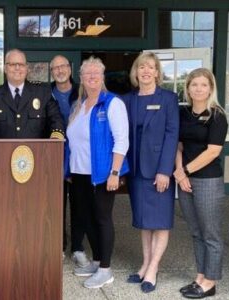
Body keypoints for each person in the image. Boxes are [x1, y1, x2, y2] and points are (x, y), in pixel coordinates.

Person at [67, 56, 129, 289]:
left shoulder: (112, 103)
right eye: (87, 73)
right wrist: (68, 169)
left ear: (102, 77)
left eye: (96, 73)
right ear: (81, 78)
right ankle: (96, 261)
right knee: (86, 217)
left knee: (102, 219)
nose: (91, 77)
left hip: (102, 173)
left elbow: (122, 140)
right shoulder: (79, 105)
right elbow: (72, 142)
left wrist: (115, 172)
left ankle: (106, 269)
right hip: (79, 173)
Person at [122, 52, 179, 293]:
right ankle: (145, 264)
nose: (145, 71)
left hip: (158, 169)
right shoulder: (128, 100)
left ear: (157, 72)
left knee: (161, 222)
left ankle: (153, 268)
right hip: (136, 169)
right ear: (135, 72)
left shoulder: (168, 98)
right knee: (145, 222)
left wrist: (166, 170)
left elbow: (171, 135)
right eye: (141, 67)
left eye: (150, 67)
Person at [173, 68, 228, 299]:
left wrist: (184, 171)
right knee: (196, 232)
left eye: (203, 85)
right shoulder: (183, 113)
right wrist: (180, 173)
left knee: (210, 234)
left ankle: (210, 282)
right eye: (194, 84)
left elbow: (213, 152)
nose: (198, 89)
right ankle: (200, 276)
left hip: (207, 181)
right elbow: (178, 145)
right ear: (187, 88)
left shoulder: (217, 115)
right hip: (185, 180)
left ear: (210, 88)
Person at [0, 48, 65, 142]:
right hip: (1, 155)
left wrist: (56, 138)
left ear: (27, 68)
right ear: (5, 68)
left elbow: (56, 119)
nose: (17, 68)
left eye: (21, 64)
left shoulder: (43, 93)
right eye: (13, 64)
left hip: (37, 155)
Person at [49, 55, 81, 261]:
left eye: (63, 66)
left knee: (79, 205)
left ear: (70, 69)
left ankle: (78, 248)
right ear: (51, 72)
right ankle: (58, 245)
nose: (59, 70)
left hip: (79, 157)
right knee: (55, 205)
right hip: (53, 158)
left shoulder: (83, 92)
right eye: (55, 68)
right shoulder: (45, 94)